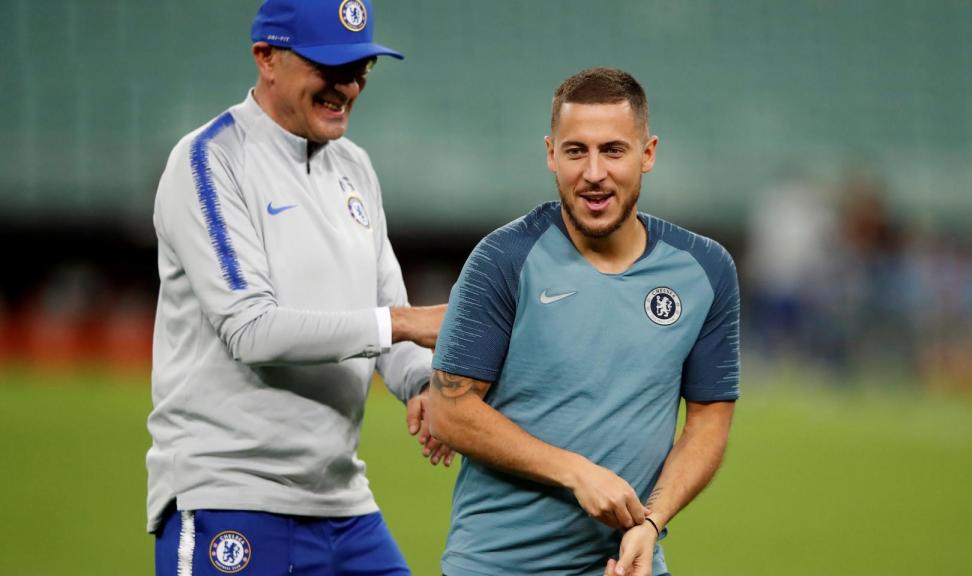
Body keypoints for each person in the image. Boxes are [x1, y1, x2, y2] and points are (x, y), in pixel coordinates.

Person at [146, 1, 450, 574]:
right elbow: (251, 328)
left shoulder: (355, 167)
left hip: (341, 500)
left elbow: (386, 305)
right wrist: (404, 324)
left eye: (361, 68)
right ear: (266, 58)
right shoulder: (209, 162)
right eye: (329, 66)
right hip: (230, 493)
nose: (349, 86)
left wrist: (419, 384)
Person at [429, 68, 740, 576]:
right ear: (551, 153)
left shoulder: (705, 270)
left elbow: (708, 419)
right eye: (576, 151)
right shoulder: (504, 258)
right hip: (496, 566)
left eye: (613, 150)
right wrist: (575, 472)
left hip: (627, 563)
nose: (594, 172)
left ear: (648, 153)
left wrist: (652, 521)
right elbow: (450, 410)